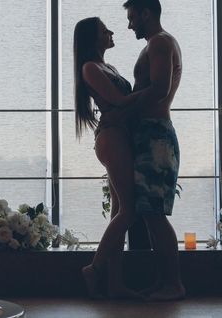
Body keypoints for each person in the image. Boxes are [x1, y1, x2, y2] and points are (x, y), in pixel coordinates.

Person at [122, 0, 186, 301]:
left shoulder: (160, 42)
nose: (130, 25)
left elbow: (158, 90)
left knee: (155, 215)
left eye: (132, 17)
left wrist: (119, 105)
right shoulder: (158, 43)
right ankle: (164, 283)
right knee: (149, 215)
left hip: (155, 136)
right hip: (151, 134)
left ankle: (173, 284)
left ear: (146, 13)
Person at [73, 17, 143, 299]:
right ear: (93, 39)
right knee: (129, 209)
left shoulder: (106, 66)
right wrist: (154, 90)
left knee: (119, 212)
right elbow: (119, 100)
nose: (112, 32)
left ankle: (115, 284)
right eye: (105, 31)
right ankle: (95, 268)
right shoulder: (90, 67)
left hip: (119, 134)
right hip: (112, 137)